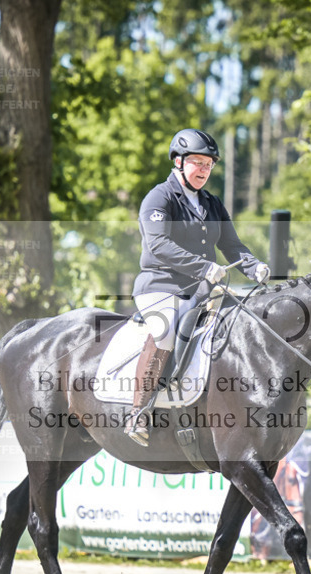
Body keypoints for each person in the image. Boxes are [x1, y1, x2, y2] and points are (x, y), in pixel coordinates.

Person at [125, 128, 271, 446]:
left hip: (203, 290)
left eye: (209, 164)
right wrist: (203, 267)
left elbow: (232, 245)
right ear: (178, 162)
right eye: (197, 162)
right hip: (161, 286)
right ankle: (138, 412)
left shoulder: (212, 203)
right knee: (165, 330)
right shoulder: (160, 197)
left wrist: (254, 267)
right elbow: (158, 244)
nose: (204, 169)